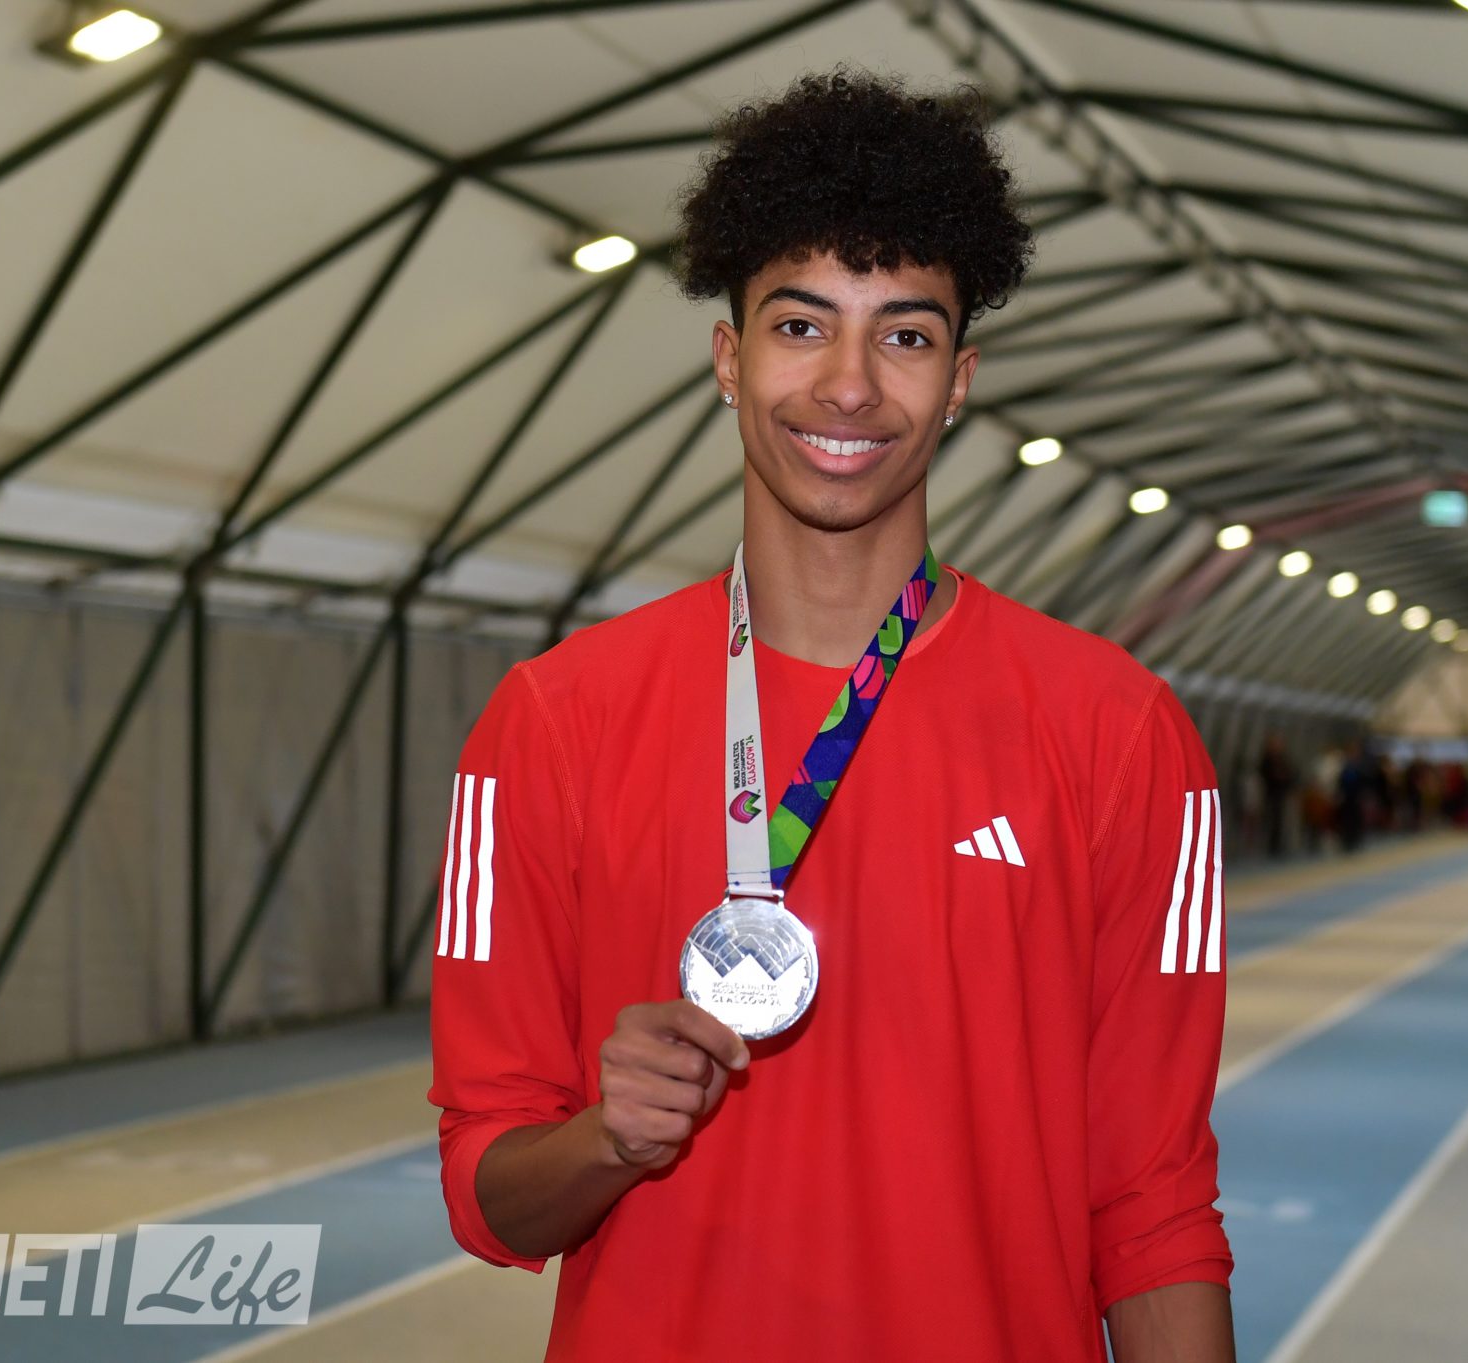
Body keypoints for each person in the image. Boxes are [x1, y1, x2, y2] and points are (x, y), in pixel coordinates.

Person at [426, 71, 1234, 1363]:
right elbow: (486, 1193)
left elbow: (1155, 1209)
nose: (849, 386)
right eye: (802, 325)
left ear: (959, 381)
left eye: (904, 337)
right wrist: (606, 1140)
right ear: (728, 359)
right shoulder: (552, 723)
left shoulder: (1119, 733)